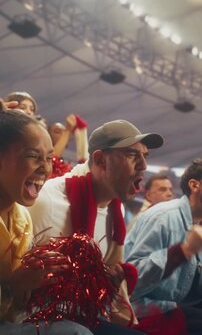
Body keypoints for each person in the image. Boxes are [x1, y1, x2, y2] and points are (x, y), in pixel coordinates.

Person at [29, 119, 163, 331]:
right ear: (100, 160)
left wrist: (109, 279)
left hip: (85, 316)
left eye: (145, 156)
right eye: (131, 155)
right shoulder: (49, 201)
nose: (144, 166)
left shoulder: (115, 209)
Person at [0, 105, 94, 335]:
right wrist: (13, 285)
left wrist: (39, 279)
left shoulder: (21, 218)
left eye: (49, 158)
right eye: (33, 156)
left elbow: (15, 309)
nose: (45, 168)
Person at [125, 159, 202, 335]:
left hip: (176, 306)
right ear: (194, 185)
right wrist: (184, 251)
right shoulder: (163, 218)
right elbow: (132, 281)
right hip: (143, 310)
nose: (167, 193)